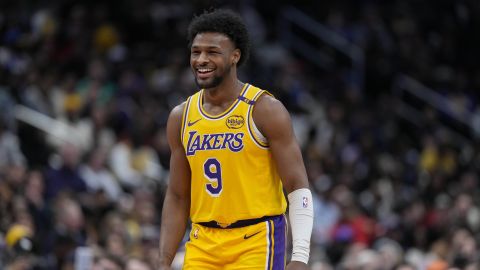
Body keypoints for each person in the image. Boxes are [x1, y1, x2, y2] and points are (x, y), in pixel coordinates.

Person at [158, 9, 313, 269]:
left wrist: (300, 255)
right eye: (196, 52)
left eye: (213, 52)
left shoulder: (264, 109)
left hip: (256, 239)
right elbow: (177, 196)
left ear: (235, 56)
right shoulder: (181, 117)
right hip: (202, 240)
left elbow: (297, 185)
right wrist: (163, 261)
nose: (201, 59)